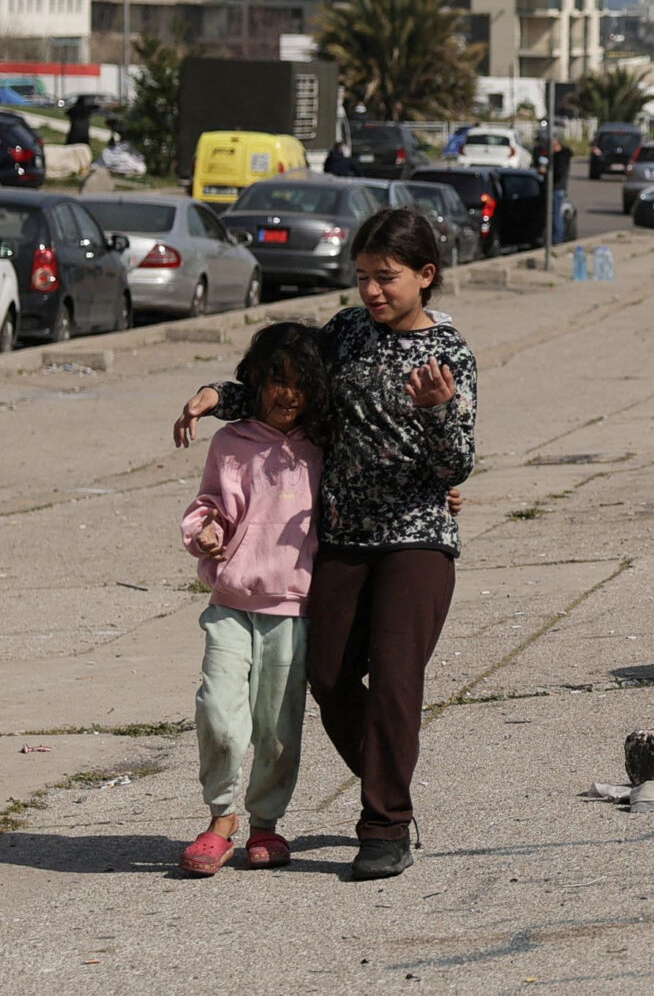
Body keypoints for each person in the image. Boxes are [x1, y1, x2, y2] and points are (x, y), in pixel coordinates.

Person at [175, 208, 477, 882]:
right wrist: (215, 396)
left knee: (397, 679)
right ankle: (390, 784)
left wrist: (435, 411)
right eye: (364, 277)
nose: (372, 291)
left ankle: (384, 824)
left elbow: (456, 465)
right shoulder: (343, 333)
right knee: (330, 675)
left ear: (426, 277)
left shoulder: (449, 354)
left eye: (387, 278)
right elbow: (283, 388)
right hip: (339, 537)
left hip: (416, 539)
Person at [176, 321, 331, 877]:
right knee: (218, 714)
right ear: (255, 381)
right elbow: (207, 504)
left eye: (298, 382)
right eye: (274, 380)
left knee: (277, 729)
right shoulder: (230, 442)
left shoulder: (323, 446)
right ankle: (220, 819)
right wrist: (207, 531)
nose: (285, 394)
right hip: (231, 602)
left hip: (293, 610)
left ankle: (266, 824)